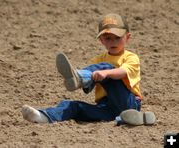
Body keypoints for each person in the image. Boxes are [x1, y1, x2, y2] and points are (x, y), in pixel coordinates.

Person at [21, 13, 156, 125]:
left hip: (127, 101)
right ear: (101, 40)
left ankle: (80, 77)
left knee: (107, 68)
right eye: (108, 38)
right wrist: (94, 78)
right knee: (73, 106)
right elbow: (90, 88)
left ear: (128, 37)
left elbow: (122, 72)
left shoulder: (131, 57)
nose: (113, 42)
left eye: (117, 38)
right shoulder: (97, 60)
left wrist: (105, 73)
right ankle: (44, 116)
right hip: (106, 108)